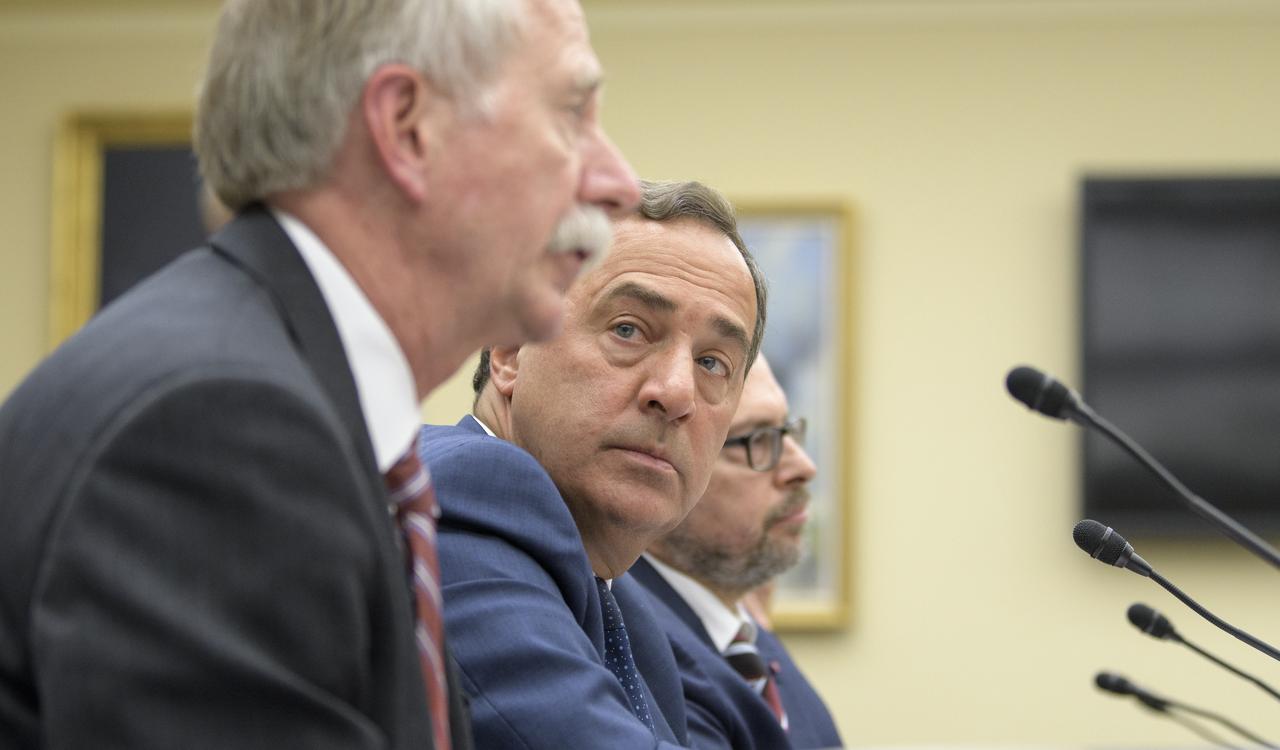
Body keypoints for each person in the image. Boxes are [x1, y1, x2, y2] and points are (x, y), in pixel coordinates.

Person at [0, 0, 638, 748]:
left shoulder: (278, 396)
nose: (618, 182)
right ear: (406, 127)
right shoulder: (222, 427)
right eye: (571, 115)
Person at [418, 179, 768, 748]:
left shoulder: (628, 612)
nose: (676, 392)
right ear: (509, 350)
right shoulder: (464, 496)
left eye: (713, 363)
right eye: (628, 330)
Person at [632, 356, 845, 749]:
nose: (803, 467)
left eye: (787, 431)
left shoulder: (744, 636)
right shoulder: (631, 648)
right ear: (659, 463)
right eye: (757, 439)